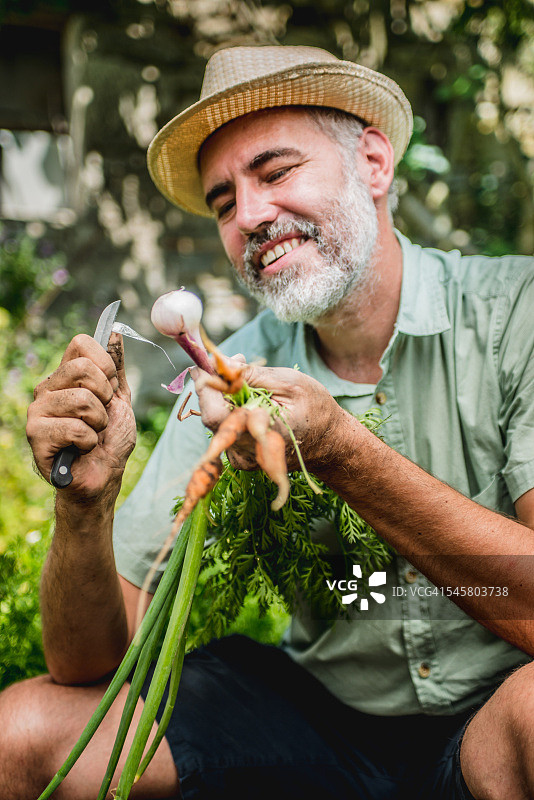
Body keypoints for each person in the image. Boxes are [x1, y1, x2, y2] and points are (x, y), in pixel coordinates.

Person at [1, 43, 534, 800]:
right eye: (223, 202)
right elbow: (88, 665)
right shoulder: (226, 380)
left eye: (276, 172)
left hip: (494, 716)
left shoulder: (517, 313)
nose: (249, 216)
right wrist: (82, 507)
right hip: (316, 720)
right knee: (19, 734)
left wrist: (340, 453)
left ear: (374, 163)